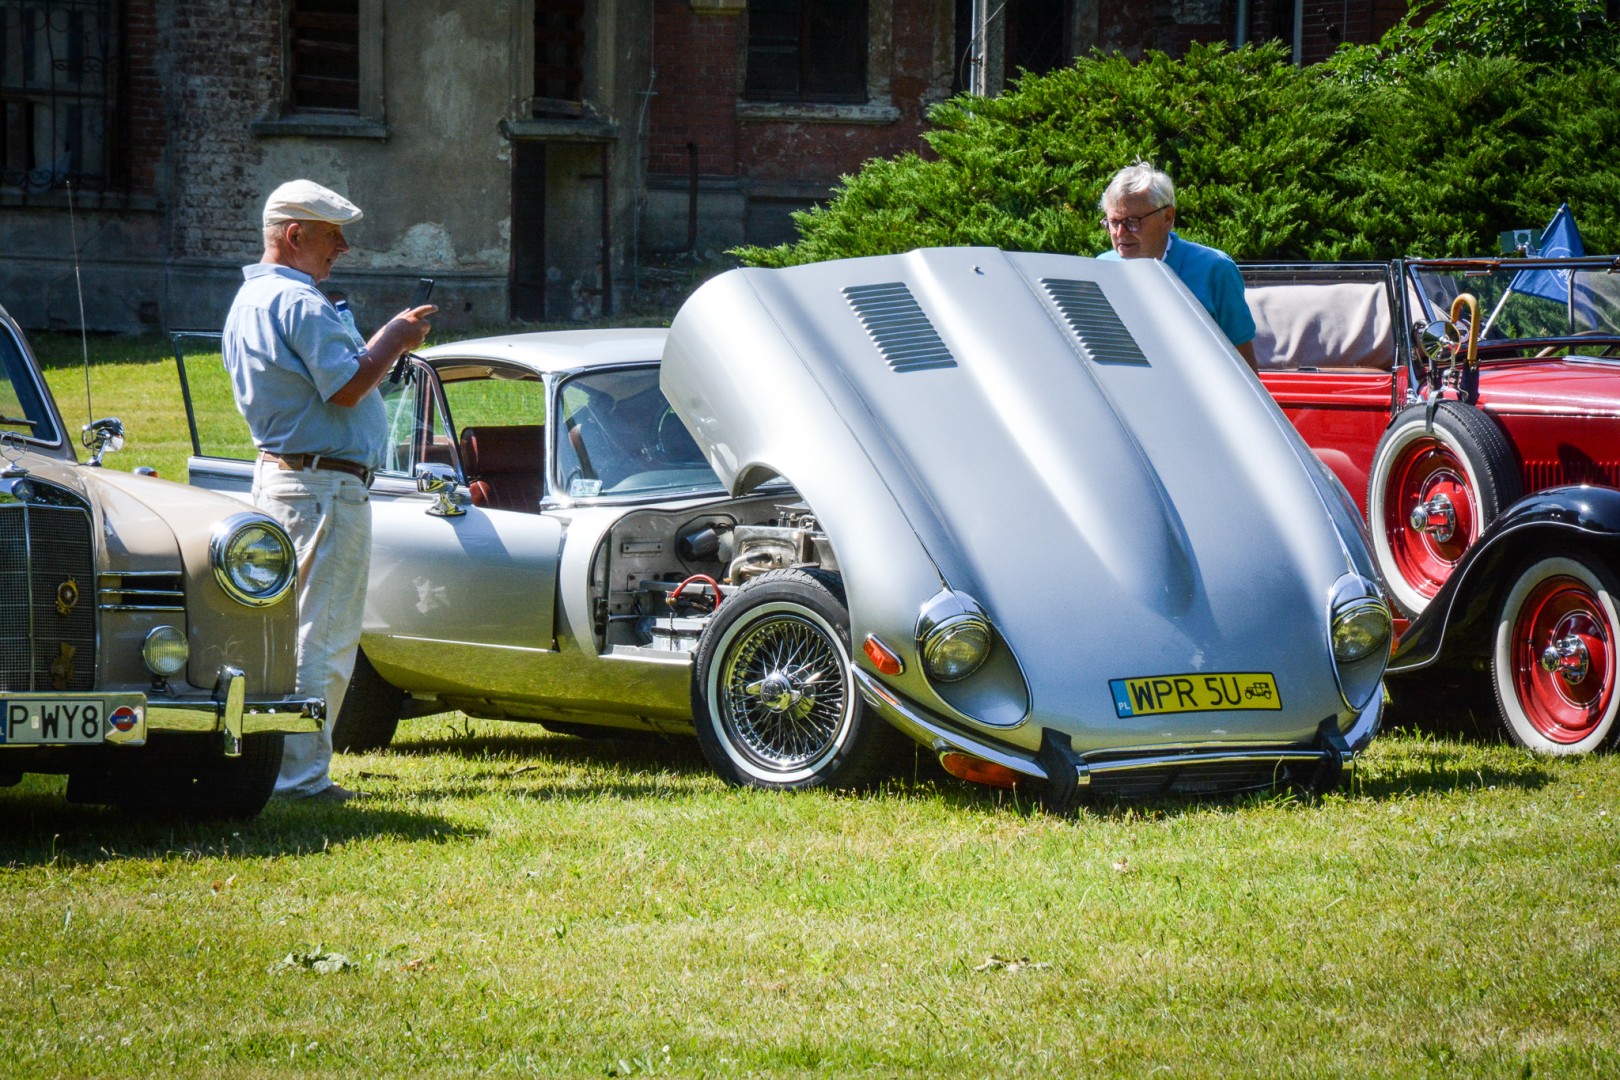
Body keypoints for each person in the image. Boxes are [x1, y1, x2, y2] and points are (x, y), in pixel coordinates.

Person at [222, 180, 436, 801]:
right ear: (295, 236)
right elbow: (345, 388)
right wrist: (395, 336)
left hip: (287, 478)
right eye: (331, 234)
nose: (340, 247)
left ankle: (275, 768)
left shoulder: (249, 300)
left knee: (285, 636)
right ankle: (301, 778)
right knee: (326, 634)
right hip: (322, 487)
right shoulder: (300, 300)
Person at [1096, 161, 1258, 370]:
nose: (1120, 234)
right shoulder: (1101, 267)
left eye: (1132, 222)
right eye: (1113, 222)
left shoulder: (1215, 270)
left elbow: (1245, 368)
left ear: (1168, 217)